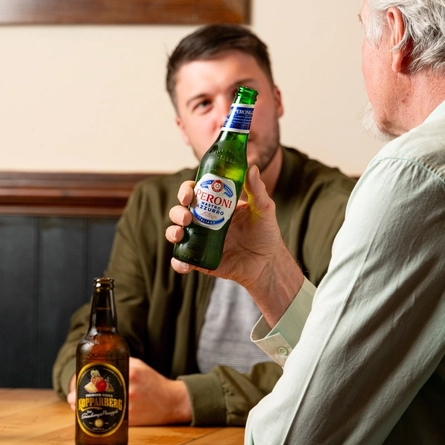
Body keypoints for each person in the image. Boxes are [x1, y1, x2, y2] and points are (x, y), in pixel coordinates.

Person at [167, 1, 445, 443]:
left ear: (396, 36)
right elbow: (393, 384)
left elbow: (300, 433)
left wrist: (182, 398)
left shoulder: (413, 170)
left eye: (361, 32)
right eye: (202, 103)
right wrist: (267, 269)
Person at [52, 24, 356, 427]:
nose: (228, 118)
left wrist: (184, 399)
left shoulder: (344, 206)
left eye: (241, 96)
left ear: (277, 101)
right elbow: (103, 328)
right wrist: (92, 375)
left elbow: (348, 362)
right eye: (202, 104)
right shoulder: (154, 204)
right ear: (182, 128)